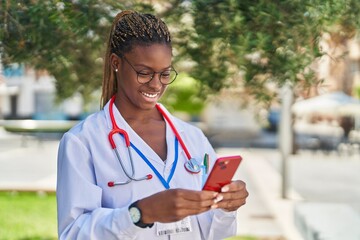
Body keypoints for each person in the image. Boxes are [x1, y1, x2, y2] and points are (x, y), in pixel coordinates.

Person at [56, 10, 248, 240]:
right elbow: (73, 234)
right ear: (116, 63)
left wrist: (226, 208)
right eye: (144, 73)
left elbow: (212, 233)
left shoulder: (192, 138)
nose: (156, 85)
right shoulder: (83, 142)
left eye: (165, 74)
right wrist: (140, 214)